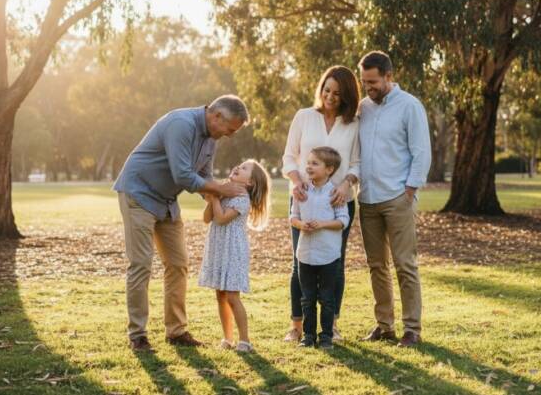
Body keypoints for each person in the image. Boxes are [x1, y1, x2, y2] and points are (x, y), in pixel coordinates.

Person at [113, 95, 250, 352]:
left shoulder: (211, 138)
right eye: (230, 129)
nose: (230, 135)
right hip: (138, 193)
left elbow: (204, 176)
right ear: (217, 116)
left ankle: (176, 332)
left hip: (166, 200)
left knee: (178, 264)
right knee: (141, 264)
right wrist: (222, 189)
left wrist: (217, 196)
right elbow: (183, 174)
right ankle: (138, 335)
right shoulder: (181, 124)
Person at [356, 51, 431, 348]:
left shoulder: (410, 106)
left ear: (389, 76)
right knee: (376, 266)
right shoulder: (363, 107)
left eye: (373, 81)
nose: (368, 87)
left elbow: (421, 151)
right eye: (365, 82)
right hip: (368, 200)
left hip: (397, 197)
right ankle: (384, 326)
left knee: (405, 264)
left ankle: (412, 329)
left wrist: (410, 191)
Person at [281, 66, 361, 343]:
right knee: (299, 262)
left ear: (347, 96)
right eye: (326, 90)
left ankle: (331, 325)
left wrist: (346, 182)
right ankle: (297, 326)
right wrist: (295, 180)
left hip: (339, 202)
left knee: (334, 265)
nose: (330, 96)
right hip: (303, 200)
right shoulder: (304, 117)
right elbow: (289, 157)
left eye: (337, 93)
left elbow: (357, 163)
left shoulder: (353, 124)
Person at [198, 159, 271, 353]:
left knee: (232, 296)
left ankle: (244, 340)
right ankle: (227, 338)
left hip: (233, 250)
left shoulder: (241, 198)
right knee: (220, 295)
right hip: (219, 248)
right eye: (239, 164)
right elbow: (207, 219)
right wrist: (217, 194)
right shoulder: (225, 193)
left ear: (250, 183)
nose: (238, 167)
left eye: (245, 168)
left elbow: (221, 219)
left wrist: (214, 197)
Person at [290, 147, 350, 350]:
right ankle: (308, 336)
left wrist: (322, 224)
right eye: (308, 162)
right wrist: (300, 225)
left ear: (329, 169)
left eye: (315, 163)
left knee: (326, 298)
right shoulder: (301, 191)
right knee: (307, 298)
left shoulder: (334, 193)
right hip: (305, 254)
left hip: (328, 255)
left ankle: (325, 336)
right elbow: (293, 216)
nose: (308, 166)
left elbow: (343, 220)